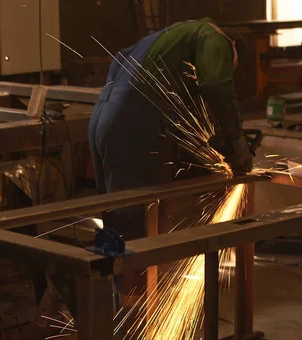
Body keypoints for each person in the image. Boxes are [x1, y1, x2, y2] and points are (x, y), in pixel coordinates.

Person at [88, 17, 254, 293]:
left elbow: (121, 64)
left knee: (115, 219)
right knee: (139, 224)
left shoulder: (169, 38)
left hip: (103, 118)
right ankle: (135, 308)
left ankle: (108, 299)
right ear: (233, 46)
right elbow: (215, 86)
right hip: (132, 125)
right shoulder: (216, 38)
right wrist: (236, 139)